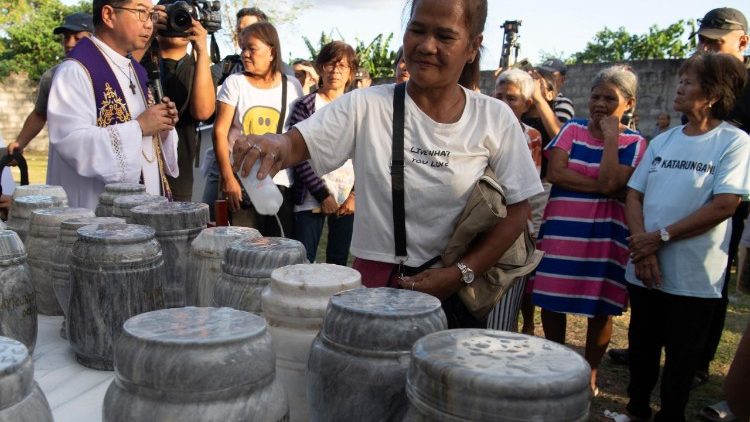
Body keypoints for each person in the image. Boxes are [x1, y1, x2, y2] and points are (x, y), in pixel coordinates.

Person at [232, 0, 543, 329]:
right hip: (377, 290)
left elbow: (518, 210)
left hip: (461, 295)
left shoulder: (494, 118)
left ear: (473, 47)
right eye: (417, 30)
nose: (426, 46)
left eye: (445, 36)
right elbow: (295, 143)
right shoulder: (366, 105)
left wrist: (460, 273)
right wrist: (274, 144)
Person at [624, 52, 749, 422]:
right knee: (641, 347)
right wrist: (643, 247)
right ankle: (635, 410)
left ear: (711, 94)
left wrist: (660, 237)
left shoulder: (734, 142)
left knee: (681, 358)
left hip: (693, 277)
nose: (679, 88)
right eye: (680, 80)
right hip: (645, 268)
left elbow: (725, 204)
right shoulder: (664, 140)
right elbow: (634, 194)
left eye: (688, 82)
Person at [531, 65, 647, 394]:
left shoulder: (636, 143)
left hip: (606, 237)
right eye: (595, 96)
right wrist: (606, 188)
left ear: (629, 103)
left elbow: (613, 181)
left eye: (609, 99)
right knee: (551, 300)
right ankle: (555, 362)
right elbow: (557, 173)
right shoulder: (571, 130)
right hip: (562, 233)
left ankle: (591, 371)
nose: (598, 104)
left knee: (601, 306)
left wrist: (612, 138)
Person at [46, 0, 179, 209]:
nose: (149, 24)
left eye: (151, 14)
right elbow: (72, 142)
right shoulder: (75, 71)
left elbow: (146, 139)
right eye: (140, 12)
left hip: (145, 209)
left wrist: (162, 126)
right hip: (97, 215)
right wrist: (140, 127)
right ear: (108, 15)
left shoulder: (136, 70)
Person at [692, 7, 750, 391]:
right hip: (687, 190)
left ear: (743, 42)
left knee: (713, 279)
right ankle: (661, 346)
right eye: (703, 42)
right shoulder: (697, 78)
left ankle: (698, 360)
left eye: (717, 43)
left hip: (733, 199)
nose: (708, 49)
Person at [208, 22, 302, 235]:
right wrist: (228, 178)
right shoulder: (235, 83)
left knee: (279, 250)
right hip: (242, 182)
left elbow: (296, 132)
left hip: (279, 182)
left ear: (271, 51)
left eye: (252, 48)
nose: (245, 54)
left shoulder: (292, 85)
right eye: (242, 48)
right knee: (244, 251)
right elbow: (219, 132)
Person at [290, 41, 357, 265]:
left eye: (343, 66)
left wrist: (354, 196)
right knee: (304, 260)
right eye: (330, 65)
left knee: (338, 262)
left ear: (350, 73)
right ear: (320, 68)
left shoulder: (357, 106)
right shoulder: (306, 105)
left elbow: (367, 152)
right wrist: (322, 195)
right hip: (311, 198)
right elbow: (297, 154)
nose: (335, 71)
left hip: (347, 197)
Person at [489, 68, 542, 331]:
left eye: (512, 98)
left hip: (513, 222)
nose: (503, 103)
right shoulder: (481, 128)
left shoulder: (530, 136)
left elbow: (523, 188)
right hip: (477, 219)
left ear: (527, 104)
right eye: (499, 96)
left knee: (504, 291)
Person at [149, 15, 215, 201]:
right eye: (166, 17)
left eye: (180, 17)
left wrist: (202, 50)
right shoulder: (137, 62)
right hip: (137, 173)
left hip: (179, 174)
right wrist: (148, 34)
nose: (173, 24)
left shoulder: (200, 70)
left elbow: (203, 112)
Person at [8, 13, 94, 155]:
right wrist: (20, 143)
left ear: (94, 40)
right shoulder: (52, 77)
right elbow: (39, 115)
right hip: (65, 160)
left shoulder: (111, 72)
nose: (69, 43)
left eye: (77, 38)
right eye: (66, 37)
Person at [537, 57, 575, 123]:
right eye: (542, 74)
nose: (545, 78)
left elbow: (560, 132)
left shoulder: (562, 103)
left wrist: (538, 99)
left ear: (562, 80)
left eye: (551, 75)